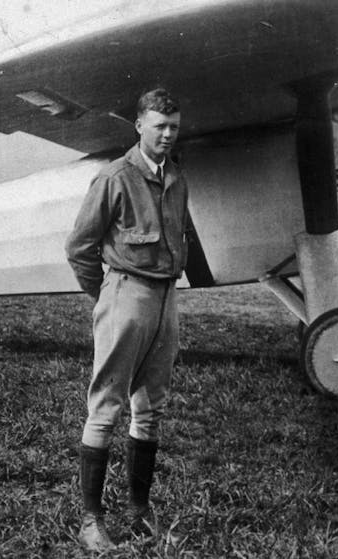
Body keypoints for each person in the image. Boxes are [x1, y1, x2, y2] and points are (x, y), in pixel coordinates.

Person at [65, 88, 190, 551]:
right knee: (107, 406)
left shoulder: (176, 176)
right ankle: (91, 520)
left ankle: (139, 512)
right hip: (126, 295)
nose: (167, 135)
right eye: (159, 126)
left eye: (174, 127)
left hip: (165, 300)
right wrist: (108, 298)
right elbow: (80, 246)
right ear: (139, 126)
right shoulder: (115, 176)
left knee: (150, 408)